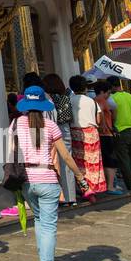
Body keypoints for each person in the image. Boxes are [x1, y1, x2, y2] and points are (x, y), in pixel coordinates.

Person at [11, 86, 87, 261]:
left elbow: (13, 152)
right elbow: (66, 156)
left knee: (39, 221)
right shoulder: (51, 126)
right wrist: (80, 177)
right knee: (48, 227)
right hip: (47, 179)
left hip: (27, 180)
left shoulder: (17, 123)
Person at [67, 75, 105, 201]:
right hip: (91, 132)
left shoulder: (69, 100)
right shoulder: (91, 101)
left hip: (75, 132)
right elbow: (99, 119)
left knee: (78, 162)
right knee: (92, 163)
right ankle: (93, 188)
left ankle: (83, 188)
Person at [42, 73, 77, 204]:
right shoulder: (66, 97)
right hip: (66, 130)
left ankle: (60, 196)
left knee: (55, 164)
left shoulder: (50, 99)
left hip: (55, 131)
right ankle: (71, 197)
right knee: (67, 163)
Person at [93, 81, 121, 195]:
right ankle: (110, 186)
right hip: (106, 134)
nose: (109, 95)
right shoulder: (102, 101)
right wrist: (105, 124)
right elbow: (103, 116)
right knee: (111, 161)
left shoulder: (93, 100)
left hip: (99, 134)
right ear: (102, 92)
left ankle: (107, 184)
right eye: (108, 93)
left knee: (104, 160)